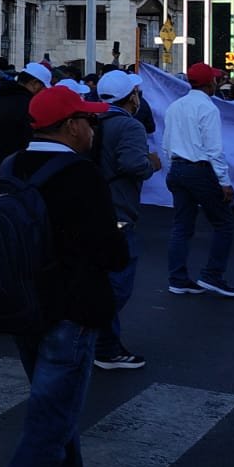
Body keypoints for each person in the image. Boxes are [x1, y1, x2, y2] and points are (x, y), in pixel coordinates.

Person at [0, 85, 130, 467]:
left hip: (24, 305)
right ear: (70, 126)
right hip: (71, 310)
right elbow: (108, 251)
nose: (92, 127)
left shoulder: (11, 164)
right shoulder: (80, 174)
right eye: (87, 120)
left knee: (55, 405)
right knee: (49, 420)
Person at [92, 70, 160, 371]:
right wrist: (151, 164)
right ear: (131, 96)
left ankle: (102, 340)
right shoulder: (129, 126)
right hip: (118, 209)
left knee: (100, 278)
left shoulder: (92, 121)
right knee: (117, 284)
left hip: (93, 207)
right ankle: (101, 341)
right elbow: (133, 164)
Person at [161, 61, 234, 298]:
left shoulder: (175, 106)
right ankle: (212, 275)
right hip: (199, 169)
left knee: (181, 226)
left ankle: (178, 278)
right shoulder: (208, 108)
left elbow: (166, 143)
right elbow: (214, 149)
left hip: (177, 168)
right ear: (211, 83)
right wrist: (224, 181)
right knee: (223, 223)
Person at [0, 63, 53, 173]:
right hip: (18, 169)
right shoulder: (28, 104)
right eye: (43, 87)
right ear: (34, 84)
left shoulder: (0, 98)